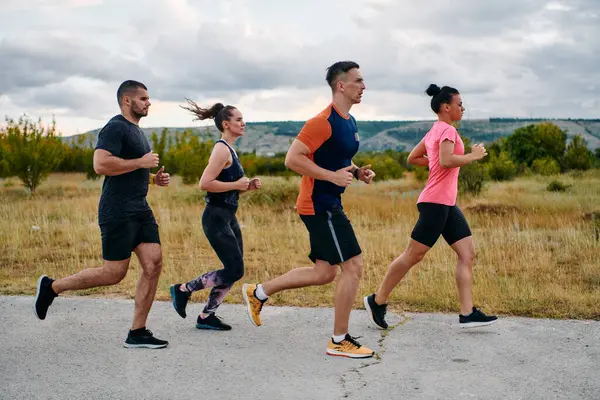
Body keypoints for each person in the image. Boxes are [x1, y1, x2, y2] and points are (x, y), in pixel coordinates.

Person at [242, 61, 376, 358]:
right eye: (358, 81)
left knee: (323, 272)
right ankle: (339, 340)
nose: (363, 86)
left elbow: (337, 159)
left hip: (327, 203)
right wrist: (330, 177)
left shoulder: (349, 121)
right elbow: (292, 159)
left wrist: (356, 172)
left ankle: (258, 292)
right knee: (353, 266)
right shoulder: (322, 121)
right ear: (341, 85)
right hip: (319, 204)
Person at [33, 80, 171, 348]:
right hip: (117, 210)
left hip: (140, 208)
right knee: (113, 273)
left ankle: (137, 332)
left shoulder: (136, 131)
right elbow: (100, 164)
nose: (148, 103)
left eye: (148, 98)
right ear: (127, 101)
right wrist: (141, 162)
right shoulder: (115, 127)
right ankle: (52, 287)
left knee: (153, 264)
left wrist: (153, 178)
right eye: (143, 98)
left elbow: (127, 169)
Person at [364, 84, 498, 330]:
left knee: (467, 253)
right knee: (413, 255)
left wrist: (435, 162)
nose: (463, 108)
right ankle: (377, 300)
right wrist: (473, 156)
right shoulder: (446, 130)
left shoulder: (434, 130)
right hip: (435, 203)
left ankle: (467, 313)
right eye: (459, 104)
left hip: (446, 203)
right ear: (446, 107)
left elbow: (413, 158)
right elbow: (447, 161)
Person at [170, 100, 261, 331]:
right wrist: (236, 185)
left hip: (228, 216)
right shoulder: (221, 149)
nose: (243, 123)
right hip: (215, 217)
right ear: (226, 124)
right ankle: (183, 289)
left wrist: (245, 186)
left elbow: (228, 184)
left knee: (234, 269)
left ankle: (206, 317)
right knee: (234, 269)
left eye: (243, 119)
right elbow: (205, 183)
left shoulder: (230, 150)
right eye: (238, 119)